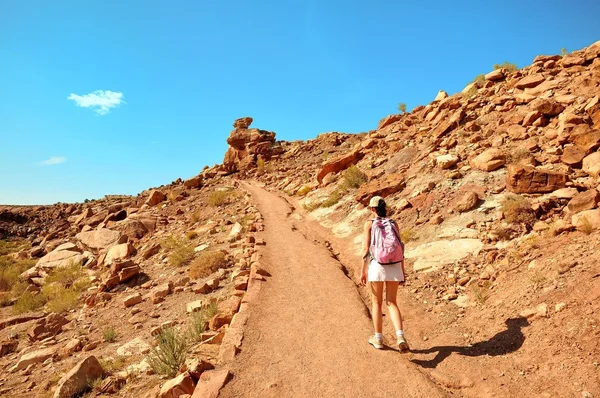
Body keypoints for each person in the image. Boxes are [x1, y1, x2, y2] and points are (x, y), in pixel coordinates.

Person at [360, 196, 409, 352]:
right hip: (394, 265)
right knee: (392, 302)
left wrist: (363, 270)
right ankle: (400, 336)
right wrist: (402, 270)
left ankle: (378, 338)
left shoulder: (369, 223)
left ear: (372, 209)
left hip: (377, 266)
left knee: (377, 302)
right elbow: (401, 248)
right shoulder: (393, 223)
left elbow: (365, 250)